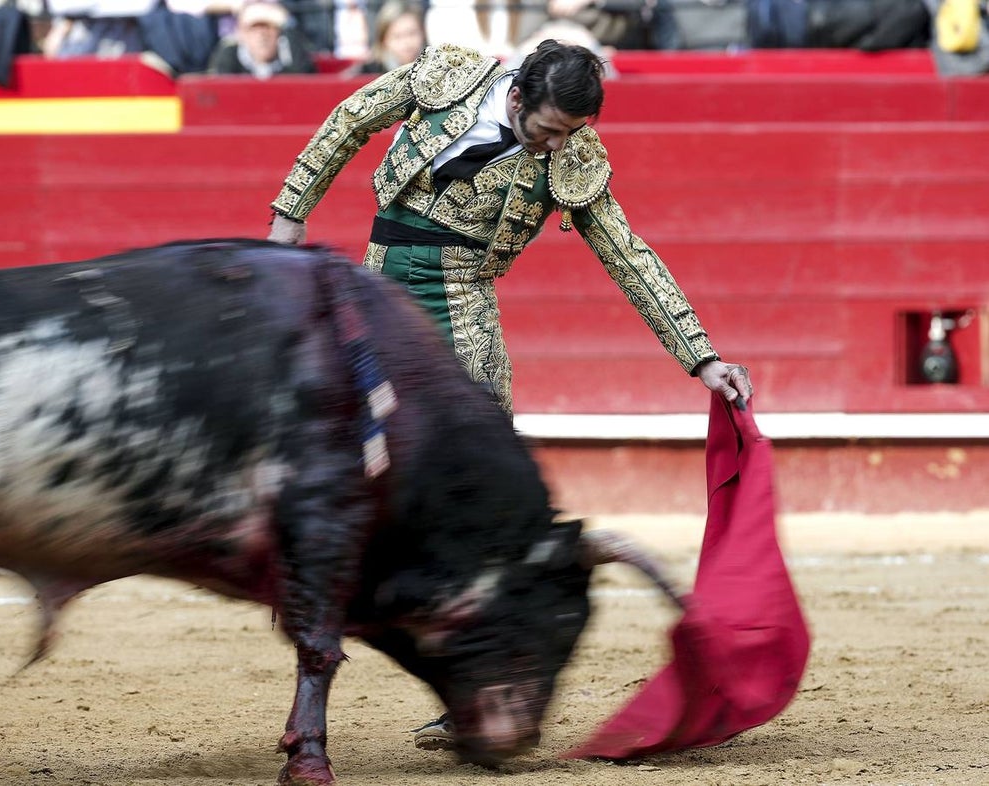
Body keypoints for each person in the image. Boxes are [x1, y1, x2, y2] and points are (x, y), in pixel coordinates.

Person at [267, 39, 753, 748]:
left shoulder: (574, 159)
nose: (558, 146)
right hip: (373, 291)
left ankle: (468, 691)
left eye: (572, 134)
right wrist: (291, 210)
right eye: (550, 129)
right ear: (518, 96)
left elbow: (628, 255)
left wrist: (701, 357)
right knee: (332, 463)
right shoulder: (449, 77)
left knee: (479, 503)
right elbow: (352, 118)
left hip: (462, 305)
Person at [206, 0, 316, 76]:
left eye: (268, 27)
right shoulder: (229, 60)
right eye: (255, 28)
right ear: (243, 34)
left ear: (279, 33)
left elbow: (303, 76)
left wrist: (287, 27)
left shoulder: (290, 60)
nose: (262, 35)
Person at [344, 0, 426, 74]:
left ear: (422, 32)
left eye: (412, 33)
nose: (406, 42)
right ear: (384, 40)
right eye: (397, 36)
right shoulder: (367, 72)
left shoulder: (434, 69)